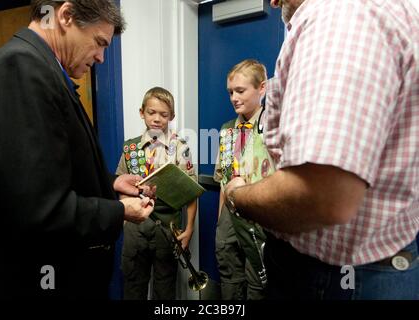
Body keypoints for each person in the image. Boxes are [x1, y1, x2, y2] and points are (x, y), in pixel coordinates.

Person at [224, 0, 419, 300]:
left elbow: (323, 196)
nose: (273, 2)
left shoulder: (340, 17)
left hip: (337, 277)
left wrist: (238, 196)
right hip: (375, 263)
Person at [0, 0, 154, 299]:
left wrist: (110, 185)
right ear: (66, 15)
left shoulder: (44, 69)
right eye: (99, 43)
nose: (101, 57)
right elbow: (41, 211)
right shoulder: (21, 69)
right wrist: (119, 211)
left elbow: (45, 174)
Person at [116, 86, 198, 300]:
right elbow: (119, 184)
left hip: (166, 227)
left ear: (172, 116)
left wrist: (189, 229)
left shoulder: (180, 148)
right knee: (133, 285)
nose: (157, 119)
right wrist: (125, 218)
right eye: (151, 112)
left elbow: (192, 193)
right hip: (135, 225)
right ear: (142, 112)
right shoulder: (130, 148)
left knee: (165, 288)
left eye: (163, 114)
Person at [214, 60, 274, 300]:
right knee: (229, 280)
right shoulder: (227, 131)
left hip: (260, 216)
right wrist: (221, 223)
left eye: (240, 90)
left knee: (257, 283)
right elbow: (224, 181)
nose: (234, 98)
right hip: (229, 217)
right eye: (230, 92)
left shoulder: (274, 126)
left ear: (262, 88)